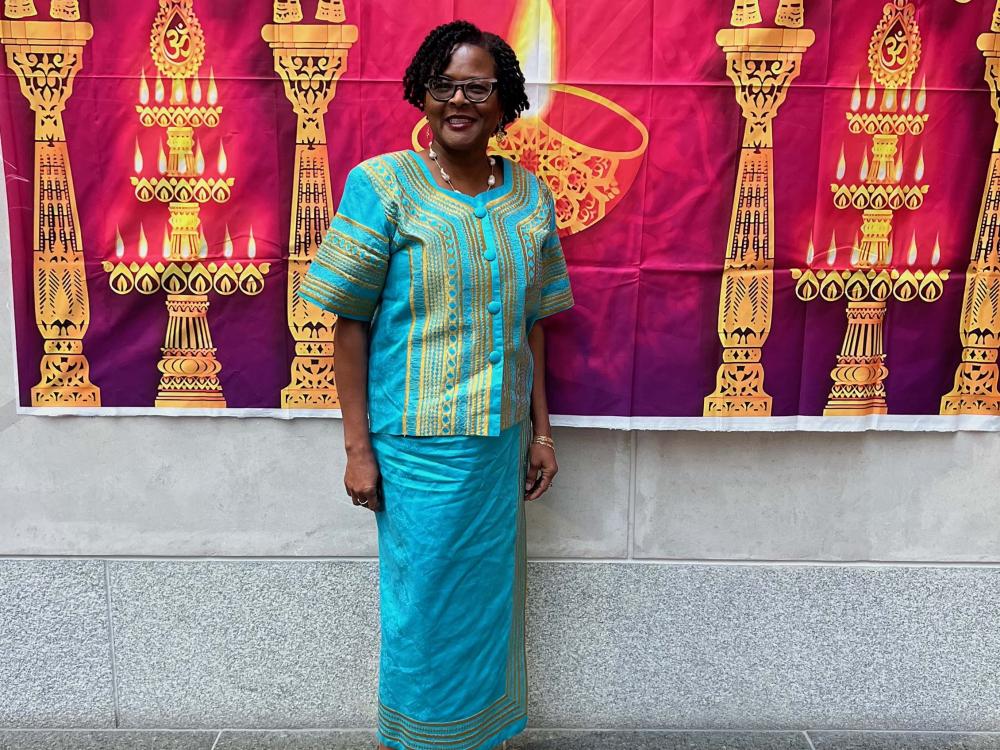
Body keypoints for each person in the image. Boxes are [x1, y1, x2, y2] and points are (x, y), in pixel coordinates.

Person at [297, 19, 574, 750]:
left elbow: (533, 323)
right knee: (423, 606)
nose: (459, 99)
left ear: (503, 99)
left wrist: (542, 433)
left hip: (499, 441)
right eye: (444, 84)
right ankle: (420, 741)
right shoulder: (383, 185)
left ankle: (479, 738)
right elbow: (349, 323)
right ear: (421, 93)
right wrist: (358, 449)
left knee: (484, 604)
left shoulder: (528, 197)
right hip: (415, 445)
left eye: (477, 86)